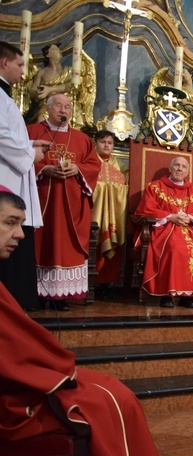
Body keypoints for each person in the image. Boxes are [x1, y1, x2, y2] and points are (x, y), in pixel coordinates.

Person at [0, 189, 163, 456]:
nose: (20, 234)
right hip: (11, 402)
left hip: (19, 379)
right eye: (10, 223)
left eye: (20, 224)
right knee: (102, 398)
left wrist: (50, 363)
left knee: (110, 389)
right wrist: (53, 367)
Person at [27, 93, 101, 310]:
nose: (63, 111)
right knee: (40, 244)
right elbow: (17, 158)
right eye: (58, 106)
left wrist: (78, 168)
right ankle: (35, 293)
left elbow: (93, 165)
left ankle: (60, 297)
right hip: (41, 200)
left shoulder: (82, 138)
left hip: (71, 204)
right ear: (47, 109)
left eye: (68, 107)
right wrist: (43, 169)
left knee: (66, 245)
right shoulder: (33, 132)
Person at [0, 42, 48, 310]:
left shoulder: (5, 97)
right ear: (5, 63)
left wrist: (30, 148)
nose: (23, 72)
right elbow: (1, 135)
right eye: (20, 65)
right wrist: (30, 155)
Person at [135, 157, 193, 308]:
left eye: (184, 167)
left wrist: (190, 217)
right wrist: (171, 217)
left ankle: (189, 296)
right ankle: (167, 295)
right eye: (177, 165)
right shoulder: (155, 187)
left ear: (187, 171)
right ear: (170, 169)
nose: (180, 169)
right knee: (174, 248)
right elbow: (146, 209)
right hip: (164, 229)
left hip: (189, 229)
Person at [91, 130, 128, 297]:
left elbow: (125, 187)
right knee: (94, 247)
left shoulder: (120, 166)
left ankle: (107, 284)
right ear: (95, 143)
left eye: (110, 143)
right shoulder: (90, 162)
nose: (106, 145)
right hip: (95, 214)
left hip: (114, 216)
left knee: (113, 253)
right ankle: (91, 283)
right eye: (103, 142)